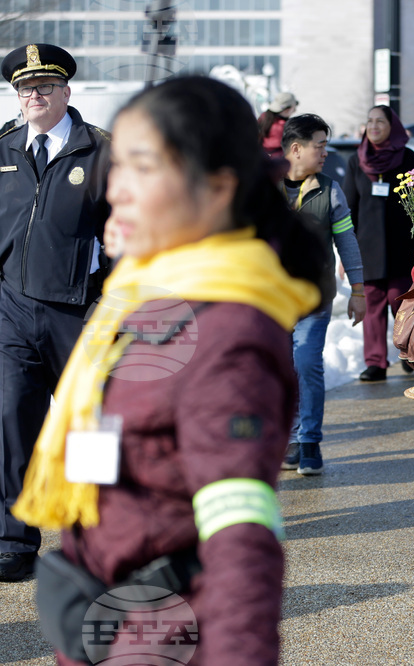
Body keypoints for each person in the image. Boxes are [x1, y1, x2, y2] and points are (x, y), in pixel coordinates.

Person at [13, 75, 327, 664]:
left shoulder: (228, 334)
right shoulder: (146, 300)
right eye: (117, 165)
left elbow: (241, 535)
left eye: (142, 167)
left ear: (215, 188)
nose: (116, 187)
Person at [0, 44, 110, 582]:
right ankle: (14, 539)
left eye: (45, 86)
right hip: (11, 309)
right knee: (11, 416)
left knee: (86, 428)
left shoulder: (101, 152)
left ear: (67, 91)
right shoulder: (2, 148)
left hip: (81, 311)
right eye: (25, 89)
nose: (34, 95)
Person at [279, 113, 366, 475]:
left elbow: (346, 240)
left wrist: (358, 290)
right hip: (272, 300)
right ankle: (290, 439)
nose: (325, 152)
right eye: (320, 145)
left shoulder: (330, 188)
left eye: (326, 145)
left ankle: (310, 440)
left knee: (306, 364)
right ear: (296, 149)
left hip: (313, 299)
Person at [342, 105, 414, 381]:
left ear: (393, 127)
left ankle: (408, 354)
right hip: (368, 248)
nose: (373, 126)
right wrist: (346, 250)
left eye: (380, 121)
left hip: (402, 246)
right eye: (370, 121)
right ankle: (375, 361)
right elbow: (347, 208)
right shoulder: (357, 160)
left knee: (402, 303)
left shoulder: (408, 157)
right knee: (373, 305)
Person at [257, 91, 298, 158]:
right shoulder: (282, 126)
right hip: (275, 161)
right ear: (287, 109)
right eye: (294, 107)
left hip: (261, 157)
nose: (295, 110)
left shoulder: (264, 116)